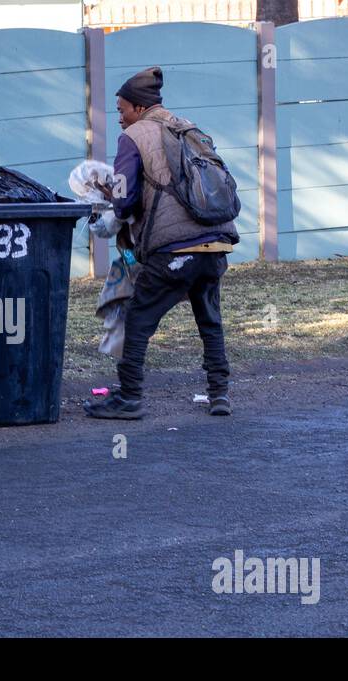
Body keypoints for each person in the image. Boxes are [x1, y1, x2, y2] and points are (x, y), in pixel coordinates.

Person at [84, 66, 239, 420]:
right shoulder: (187, 128)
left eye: (121, 109)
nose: (119, 118)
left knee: (137, 318)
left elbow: (123, 202)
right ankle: (219, 394)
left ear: (139, 108)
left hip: (173, 251)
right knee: (210, 320)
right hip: (215, 245)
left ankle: (129, 397)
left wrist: (110, 198)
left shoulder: (134, 137)